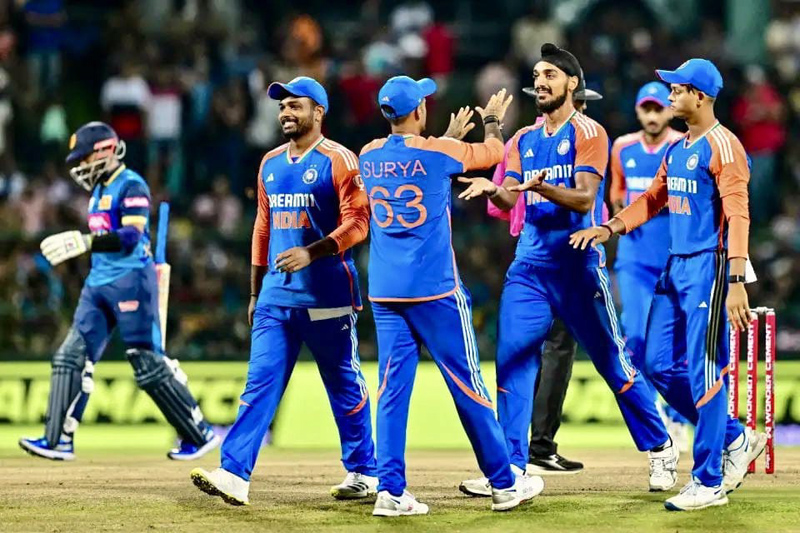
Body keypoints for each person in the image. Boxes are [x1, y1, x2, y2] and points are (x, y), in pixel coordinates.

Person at [458, 44, 676, 497]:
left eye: (550, 75)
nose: (540, 82)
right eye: (537, 75)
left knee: (612, 363)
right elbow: (510, 197)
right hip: (529, 267)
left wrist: (542, 188)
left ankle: (660, 447)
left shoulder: (590, 132)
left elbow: (583, 199)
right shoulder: (522, 139)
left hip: (577, 266)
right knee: (513, 363)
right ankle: (511, 469)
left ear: (572, 84)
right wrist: (492, 189)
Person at [570, 58, 768, 511]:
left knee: (704, 371)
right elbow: (653, 197)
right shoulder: (679, 149)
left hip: (709, 268)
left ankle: (708, 481)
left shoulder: (725, 146)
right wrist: (611, 227)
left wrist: (736, 279)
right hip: (674, 267)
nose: (671, 95)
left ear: (700, 95)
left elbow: (739, 216)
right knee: (657, 364)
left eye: (677, 89)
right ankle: (736, 438)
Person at [360, 76, 544, 517]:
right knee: (468, 386)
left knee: (391, 391)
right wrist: (493, 120)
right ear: (419, 111)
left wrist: (444, 140)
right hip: (435, 290)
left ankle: (391, 491)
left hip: (386, 291)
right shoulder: (439, 153)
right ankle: (504, 484)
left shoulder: (369, 154)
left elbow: (411, 160)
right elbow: (494, 152)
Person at [190, 77, 378, 506]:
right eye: (282, 107)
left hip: (327, 296)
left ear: (318, 112)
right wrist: (255, 291)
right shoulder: (270, 163)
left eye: (295, 106)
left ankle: (364, 471)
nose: (286, 113)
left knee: (344, 386)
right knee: (259, 385)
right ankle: (234, 474)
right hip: (276, 297)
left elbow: (359, 224)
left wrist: (312, 252)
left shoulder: (339, 159)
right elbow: (262, 228)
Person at [19, 122, 219, 462]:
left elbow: (130, 236)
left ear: (106, 150)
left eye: (84, 158)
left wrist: (85, 241)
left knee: (146, 362)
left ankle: (198, 435)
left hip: (131, 280)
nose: (80, 166)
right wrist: (88, 245)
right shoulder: (98, 190)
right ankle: (57, 440)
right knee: (70, 358)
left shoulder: (131, 184)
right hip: (98, 283)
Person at [487, 78, 602, 476]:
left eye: (584, 103)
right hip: (543, 255)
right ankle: (527, 450)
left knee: (549, 352)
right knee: (543, 352)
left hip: (562, 255)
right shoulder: (528, 142)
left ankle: (529, 448)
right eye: (580, 102)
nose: (582, 109)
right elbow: (503, 200)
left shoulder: (582, 142)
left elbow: (592, 203)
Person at [609, 82, 692, 452]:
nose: (653, 115)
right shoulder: (622, 147)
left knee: (676, 345)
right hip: (634, 261)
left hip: (674, 260)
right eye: (647, 108)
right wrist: (620, 213)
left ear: (669, 111)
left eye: (659, 108)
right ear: (638, 111)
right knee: (636, 336)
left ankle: (677, 415)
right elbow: (616, 194)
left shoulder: (682, 146)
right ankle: (652, 417)